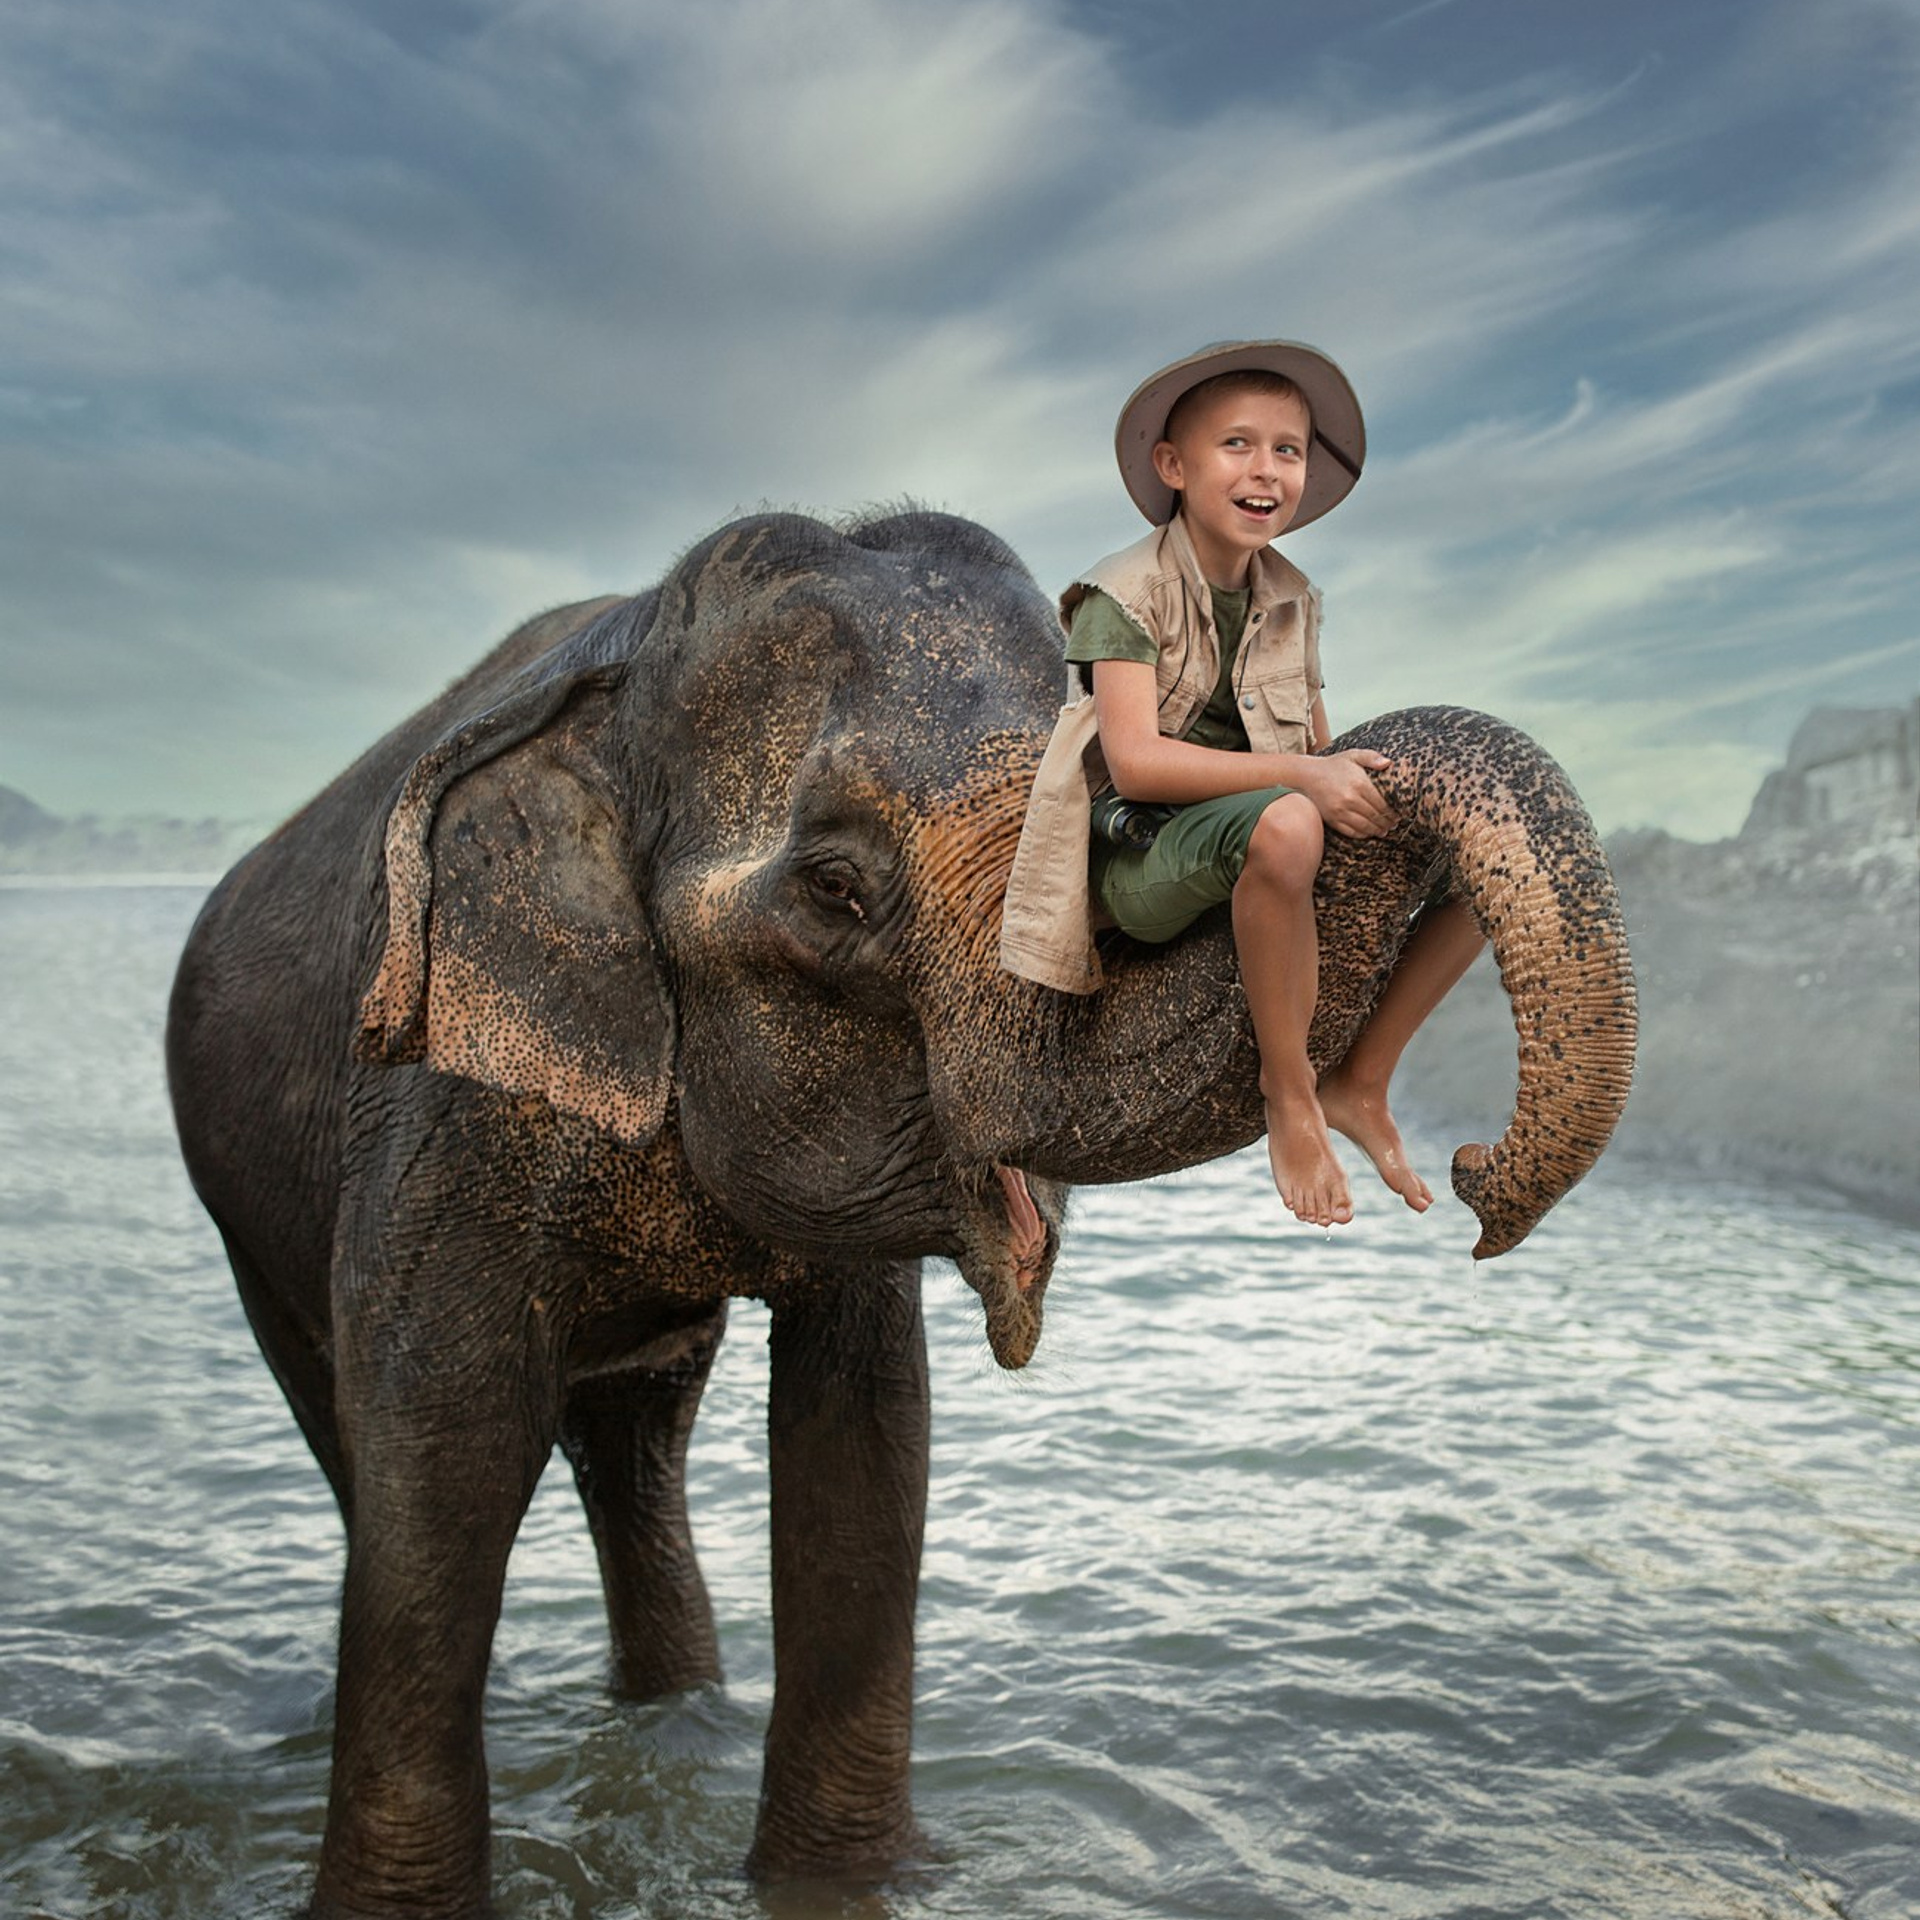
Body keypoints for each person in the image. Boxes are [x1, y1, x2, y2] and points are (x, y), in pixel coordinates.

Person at [999, 340, 1486, 1228]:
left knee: (1477, 859)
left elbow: (1317, 737)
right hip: (1139, 845)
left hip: (1258, 822)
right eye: (1237, 445)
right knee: (1293, 825)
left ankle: (1363, 1080)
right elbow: (1138, 760)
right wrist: (1306, 779)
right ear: (1173, 465)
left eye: (1288, 450)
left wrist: (1360, 794)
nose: (1266, 470)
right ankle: (1288, 1094)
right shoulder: (1122, 593)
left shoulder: (1291, 597)